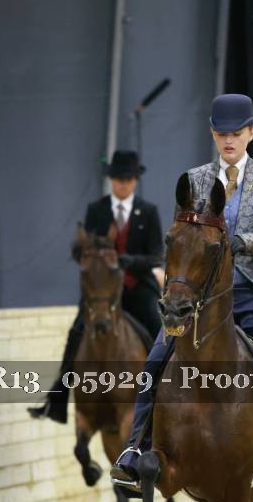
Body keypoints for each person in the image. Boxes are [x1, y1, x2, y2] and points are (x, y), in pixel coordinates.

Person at [111, 93, 253, 496]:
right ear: (213, 134)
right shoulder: (193, 180)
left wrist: (240, 242)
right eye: (222, 133)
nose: (229, 140)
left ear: (251, 133)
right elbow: (180, 239)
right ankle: (133, 449)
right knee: (155, 360)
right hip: (201, 300)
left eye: (236, 133)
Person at [30, 150, 164, 423]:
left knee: (156, 326)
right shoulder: (96, 210)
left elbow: (156, 256)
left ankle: (165, 391)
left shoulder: (149, 212)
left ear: (135, 181)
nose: (122, 184)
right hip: (102, 291)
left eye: (127, 180)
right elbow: (84, 249)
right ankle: (58, 397)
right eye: (118, 179)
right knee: (76, 332)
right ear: (111, 180)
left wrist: (129, 261)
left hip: (137, 286)